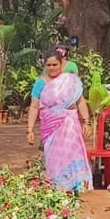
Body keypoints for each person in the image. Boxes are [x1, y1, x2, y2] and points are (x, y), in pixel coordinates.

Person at [27, 50, 93, 192]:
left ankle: (75, 187)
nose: (51, 68)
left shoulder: (70, 81)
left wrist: (87, 122)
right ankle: (58, 188)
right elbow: (33, 107)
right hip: (50, 127)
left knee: (72, 153)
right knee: (53, 157)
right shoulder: (40, 83)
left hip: (70, 125)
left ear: (61, 64)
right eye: (48, 65)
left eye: (55, 64)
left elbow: (81, 102)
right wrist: (30, 130)